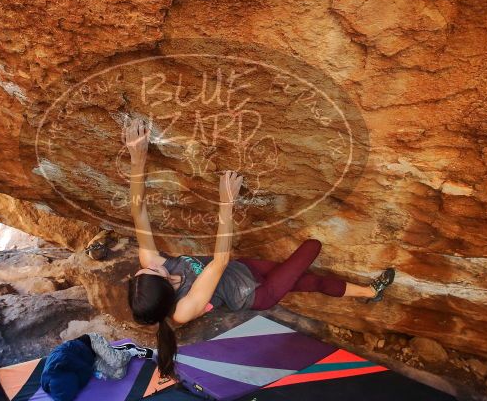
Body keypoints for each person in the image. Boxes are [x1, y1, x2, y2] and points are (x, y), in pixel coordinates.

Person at [123, 117, 395, 378]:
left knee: (312, 282)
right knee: (312, 246)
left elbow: (139, 211)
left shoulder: (151, 262)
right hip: (257, 294)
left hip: (244, 269)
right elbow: (218, 262)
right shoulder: (182, 309)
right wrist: (226, 204)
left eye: (143, 271)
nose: (150, 264)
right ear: (166, 288)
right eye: (153, 271)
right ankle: (370, 291)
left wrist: (137, 159)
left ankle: (371, 291)